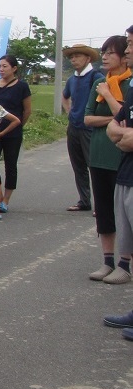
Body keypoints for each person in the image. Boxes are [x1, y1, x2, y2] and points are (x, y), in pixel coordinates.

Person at [85, 34, 132, 283]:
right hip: (99, 154)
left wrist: (110, 98)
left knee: (124, 213)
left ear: (124, 56)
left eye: (110, 52)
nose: (104, 56)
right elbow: (87, 118)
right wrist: (114, 122)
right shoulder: (99, 84)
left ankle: (125, 264)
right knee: (103, 211)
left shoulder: (128, 84)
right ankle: (107, 261)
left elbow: (125, 117)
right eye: (103, 51)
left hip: (121, 157)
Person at [101, 25, 133, 339]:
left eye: (130, 45)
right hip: (127, 172)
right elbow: (117, 123)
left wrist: (125, 134)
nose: (125, 51)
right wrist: (122, 133)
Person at [62, 44, 104, 212]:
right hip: (74, 126)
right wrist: (70, 113)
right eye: (72, 57)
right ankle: (84, 200)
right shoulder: (72, 79)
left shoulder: (96, 77)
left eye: (77, 56)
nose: (74, 59)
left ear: (88, 58)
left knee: (94, 166)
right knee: (78, 165)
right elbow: (65, 97)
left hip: (89, 128)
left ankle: (101, 204)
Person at [0, 55, 31, 214]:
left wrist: (18, 126)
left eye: (5, 66)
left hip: (12, 131)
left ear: (14, 68)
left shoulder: (22, 86)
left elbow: (27, 110)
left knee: (10, 165)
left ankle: (6, 199)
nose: (1, 69)